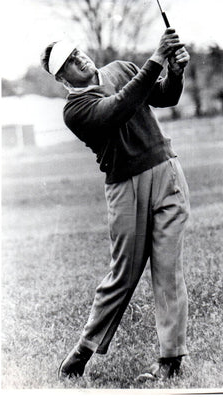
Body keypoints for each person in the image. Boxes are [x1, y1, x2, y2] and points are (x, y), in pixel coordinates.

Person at [40, 28, 191, 381]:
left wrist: (176, 72)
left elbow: (165, 97)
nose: (80, 59)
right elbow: (119, 107)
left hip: (167, 172)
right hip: (125, 188)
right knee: (122, 276)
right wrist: (155, 60)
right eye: (70, 62)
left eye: (77, 52)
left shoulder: (122, 68)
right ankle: (83, 350)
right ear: (63, 79)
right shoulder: (74, 110)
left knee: (168, 269)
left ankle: (170, 360)